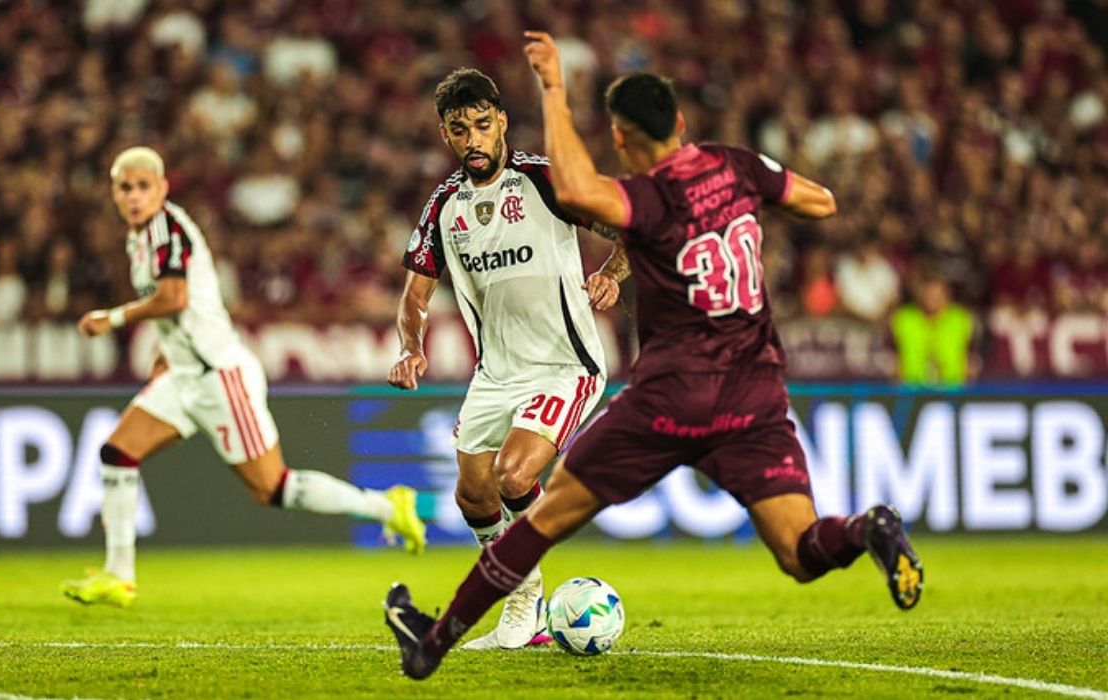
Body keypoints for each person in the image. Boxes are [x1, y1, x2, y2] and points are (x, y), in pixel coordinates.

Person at [383, 33, 924, 680]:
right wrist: (749, 196)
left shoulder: (646, 199)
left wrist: (553, 88)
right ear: (682, 122)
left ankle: (433, 641)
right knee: (799, 552)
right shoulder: (738, 166)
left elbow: (581, 190)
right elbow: (821, 201)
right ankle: (868, 529)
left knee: (538, 514)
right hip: (754, 398)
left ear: (618, 139)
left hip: (668, 395)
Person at [61, 146, 426, 608]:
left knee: (272, 487)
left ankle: (385, 506)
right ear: (114, 192)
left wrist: (111, 318)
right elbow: (185, 310)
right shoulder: (140, 238)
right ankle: (119, 575)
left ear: (162, 188)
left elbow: (173, 298)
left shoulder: (168, 230)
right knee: (118, 451)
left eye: (142, 187)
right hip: (184, 373)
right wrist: (166, 352)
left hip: (220, 377)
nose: (134, 196)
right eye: (125, 187)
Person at [387, 68, 629, 649]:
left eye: (480, 124)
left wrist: (612, 274)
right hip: (496, 374)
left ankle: (529, 596)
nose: (471, 138)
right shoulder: (444, 206)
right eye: (457, 129)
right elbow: (415, 296)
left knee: (514, 474)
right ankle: (526, 604)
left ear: (500, 123)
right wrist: (410, 347)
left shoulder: (544, 181)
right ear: (445, 135)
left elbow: (628, 227)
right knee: (473, 495)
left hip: (564, 366)